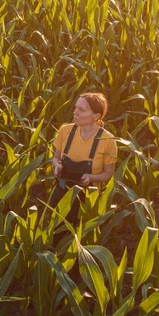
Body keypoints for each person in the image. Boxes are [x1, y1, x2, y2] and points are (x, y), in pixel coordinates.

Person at [48, 92, 117, 224]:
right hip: (61, 194)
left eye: (82, 110)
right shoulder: (65, 131)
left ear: (96, 116)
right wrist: (57, 165)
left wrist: (91, 178)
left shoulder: (108, 140)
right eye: (76, 107)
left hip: (88, 200)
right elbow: (56, 157)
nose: (75, 112)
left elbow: (108, 173)